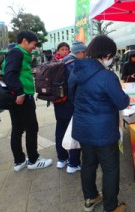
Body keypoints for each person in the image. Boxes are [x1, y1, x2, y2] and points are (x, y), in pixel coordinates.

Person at [68, 35, 129, 212]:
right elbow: (121, 102)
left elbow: (72, 97)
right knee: (110, 169)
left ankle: (90, 198)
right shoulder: (106, 76)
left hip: (83, 128)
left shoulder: (76, 70)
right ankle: (110, 207)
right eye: (113, 55)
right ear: (107, 54)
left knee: (88, 164)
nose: (112, 59)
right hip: (103, 131)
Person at [3, 30, 53, 171]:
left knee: (18, 128)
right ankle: (33, 160)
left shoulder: (19, 53)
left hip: (18, 97)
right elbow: (10, 74)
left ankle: (19, 161)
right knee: (32, 127)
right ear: (25, 40)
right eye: (33, 44)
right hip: (22, 97)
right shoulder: (17, 53)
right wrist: (20, 93)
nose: (34, 47)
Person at [54, 40, 86, 173]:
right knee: (73, 132)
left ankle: (62, 159)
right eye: (85, 53)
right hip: (69, 103)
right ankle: (73, 163)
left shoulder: (61, 62)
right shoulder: (74, 63)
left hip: (58, 102)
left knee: (60, 130)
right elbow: (76, 85)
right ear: (80, 52)